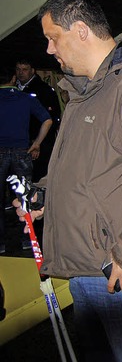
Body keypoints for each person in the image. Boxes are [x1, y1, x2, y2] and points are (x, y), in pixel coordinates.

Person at [18, 0, 122, 360]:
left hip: (118, 266)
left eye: (52, 37)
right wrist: (43, 195)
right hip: (88, 263)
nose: (48, 49)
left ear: (80, 30)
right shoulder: (85, 91)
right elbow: (88, 169)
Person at [1, 67, 52, 254]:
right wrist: (37, 143)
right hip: (22, 152)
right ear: (14, 78)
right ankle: (27, 239)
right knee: (26, 198)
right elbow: (47, 120)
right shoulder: (25, 98)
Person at [15, 59, 61, 181]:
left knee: (36, 179)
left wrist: (39, 143)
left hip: (38, 144)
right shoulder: (13, 90)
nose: (21, 73)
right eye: (18, 69)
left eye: (24, 69)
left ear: (32, 71)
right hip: (16, 144)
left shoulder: (43, 90)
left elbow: (52, 118)